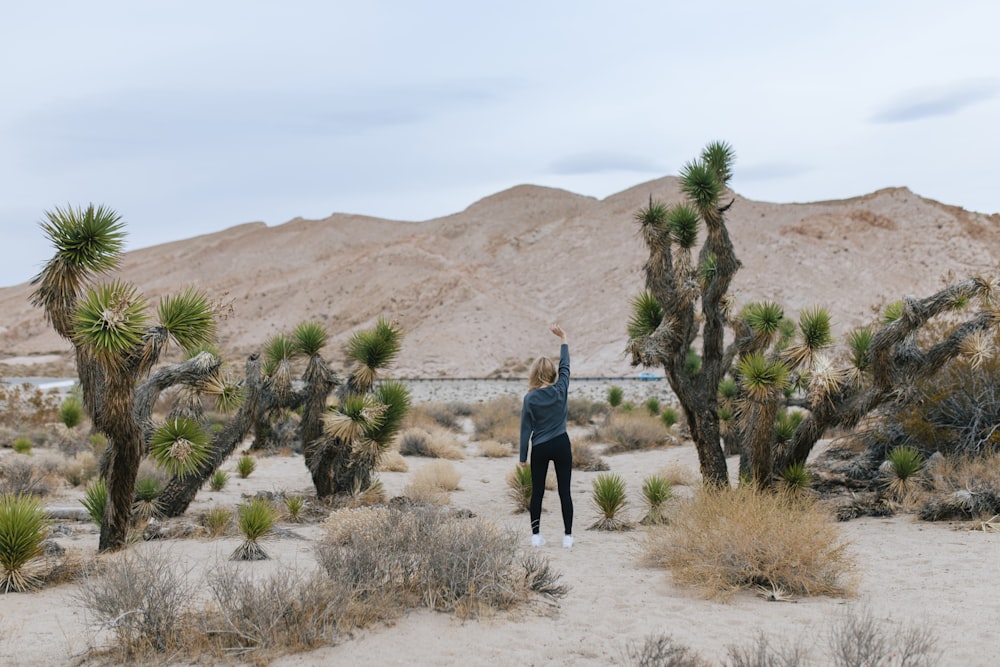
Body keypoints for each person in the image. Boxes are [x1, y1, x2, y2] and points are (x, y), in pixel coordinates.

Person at [519, 324, 574, 548]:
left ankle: (535, 536)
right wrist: (563, 338)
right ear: (551, 373)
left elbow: (525, 429)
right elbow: (566, 367)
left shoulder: (530, 398)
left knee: (538, 492)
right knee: (564, 491)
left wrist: (523, 457)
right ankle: (568, 537)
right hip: (561, 443)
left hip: (540, 447)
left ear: (533, 373)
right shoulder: (560, 388)